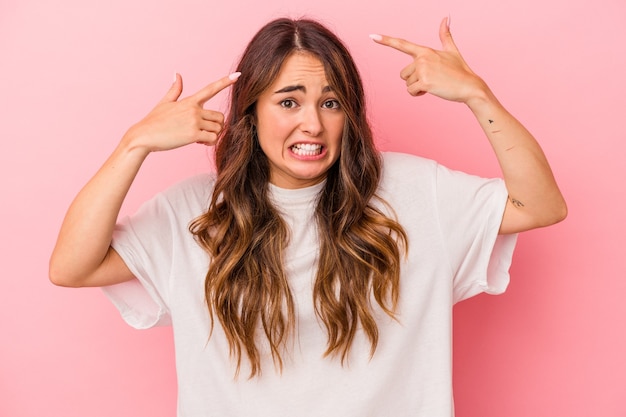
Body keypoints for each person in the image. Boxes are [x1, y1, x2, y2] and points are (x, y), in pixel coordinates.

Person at [49, 16, 566, 417]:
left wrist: (478, 94)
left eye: (332, 102)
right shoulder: (195, 212)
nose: (312, 124)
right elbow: (72, 267)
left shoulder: (415, 193)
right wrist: (134, 144)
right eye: (289, 101)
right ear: (250, 112)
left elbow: (541, 205)